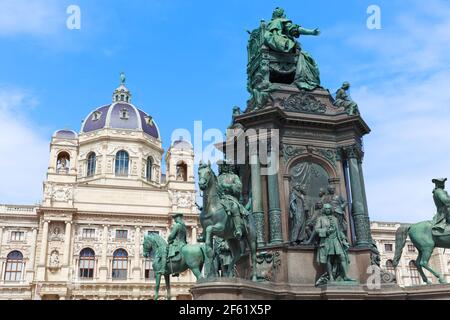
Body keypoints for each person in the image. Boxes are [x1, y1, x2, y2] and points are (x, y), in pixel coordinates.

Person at [315, 204, 353, 283]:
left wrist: (343, 239)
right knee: (329, 258)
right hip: (327, 240)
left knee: (342, 256)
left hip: (336, 240)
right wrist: (326, 231)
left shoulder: (335, 219)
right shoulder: (320, 219)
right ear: (324, 210)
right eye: (326, 209)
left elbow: (339, 230)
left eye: (329, 209)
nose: (328, 210)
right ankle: (331, 277)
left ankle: (345, 276)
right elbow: (317, 229)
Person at [217, 161, 247, 240]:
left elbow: (239, 187)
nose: (225, 167)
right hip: (219, 199)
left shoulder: (234, 176)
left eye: (226, 165)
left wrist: (228, 186)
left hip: (230, 198)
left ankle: (238, 229)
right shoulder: (217, 178)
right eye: (223, 166)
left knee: (234, 207)